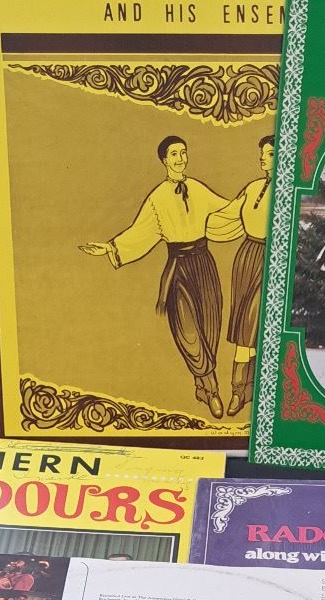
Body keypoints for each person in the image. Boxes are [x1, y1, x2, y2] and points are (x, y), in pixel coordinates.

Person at [80, 135, 232, 419]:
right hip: (179, 269)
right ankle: (212, 390)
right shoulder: (157, 198)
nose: (180, 158)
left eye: (183, 152)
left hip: (205, 265)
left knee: (210, 328)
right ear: (164, 160)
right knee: (188, 333)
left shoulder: (198, 189)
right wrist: (110, 248)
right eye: (174, 154)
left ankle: (201, 386)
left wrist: (257, 204)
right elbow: (140, 232)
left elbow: (229, 210)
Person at [210, 135, 274, 416]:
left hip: (270, 258)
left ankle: (249, 390)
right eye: (262, 153)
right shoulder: (252, 187)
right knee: (242, 328)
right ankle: (239, 391)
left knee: (254, 326)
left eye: (269, 154)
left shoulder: (288, 192)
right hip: (246, 258)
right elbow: (228, 215)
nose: (262, 158)